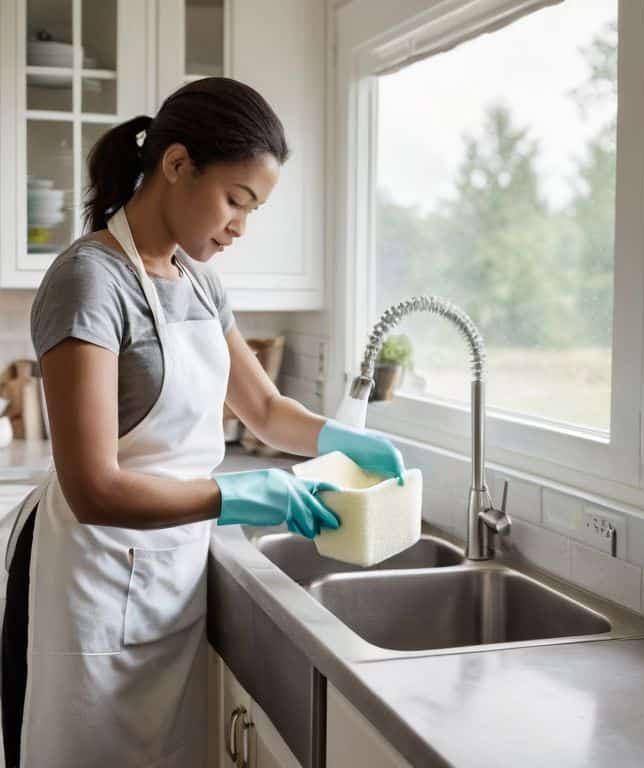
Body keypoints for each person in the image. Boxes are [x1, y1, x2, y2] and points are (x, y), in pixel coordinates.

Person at [1, 77, 404, 768]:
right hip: (88, 584)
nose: (241, 227)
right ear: (178, 164)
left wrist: (343, 438)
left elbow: (267, 411)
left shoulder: (198, 280)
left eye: (255, 210)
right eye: (235, 200)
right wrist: (240, 496)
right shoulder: (89, 281)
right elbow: (95, 486)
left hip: (167, 578)